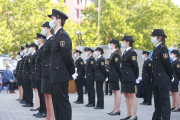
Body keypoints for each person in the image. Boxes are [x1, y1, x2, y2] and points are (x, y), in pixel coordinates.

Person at [48, 9, 75, 120]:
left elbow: (67, 56)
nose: (51, 21)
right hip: (55, 74)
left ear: (58, 20)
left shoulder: (63, 36)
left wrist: (72, 70)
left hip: (61, 74)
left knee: (62, 104)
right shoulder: (56, 36)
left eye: (52, 18)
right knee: (56, 104)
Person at [150, 29, 173, 120]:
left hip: (163, 79)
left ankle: (166, 118)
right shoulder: (156, 48)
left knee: (164, 101)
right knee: (157, 101)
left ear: (159, 38)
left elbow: (168, 64)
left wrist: (169, 77)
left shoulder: (163, 49)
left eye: (153, 36)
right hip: (156, 79)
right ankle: (156, 118)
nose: (152, 38)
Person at [120, 35, 139, 120]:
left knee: (132, 95)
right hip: (124, 76)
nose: (123, 43)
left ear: (127, 42)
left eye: (123, 41)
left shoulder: (132, 53)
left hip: (130, 76)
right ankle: (128, 114)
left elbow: (135, 65)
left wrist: (136, 76)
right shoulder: (125, 52)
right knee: (126, 95)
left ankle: (134, 115)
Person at [41, 21, 55, 120]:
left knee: (49, 95)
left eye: (45, 28)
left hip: (49, 71)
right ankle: (48, 116)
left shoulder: (52, 40)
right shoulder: (47, 41)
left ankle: (52, 117)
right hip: (45, 71)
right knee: (46, 94)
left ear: (50, 29)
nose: (44, 29)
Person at [33, 33, 46, 118]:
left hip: (41, 74)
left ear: (41, 39)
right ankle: (41, 109)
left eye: (37, 39)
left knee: (42, 94)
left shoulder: (43, 48)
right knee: (40, 94)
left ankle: (44, 111)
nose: (36, 40)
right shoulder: (39, 49)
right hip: (38, 74)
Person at [107, 39, 121, 115]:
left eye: (112, 44)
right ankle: (115, 108)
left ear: (115, 45)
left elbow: (117, 66)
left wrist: (119, 76)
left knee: (117, 91)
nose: (110, 45)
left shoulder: (115, 54)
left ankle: (117, 109)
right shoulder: (113, 53)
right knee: (114, 92)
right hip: (112, 75)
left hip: (114, 75)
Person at [29, 43, 40, 111]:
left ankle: (37, 104)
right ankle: (36, 104)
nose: (30, 48)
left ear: (34, 47)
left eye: (31, 47)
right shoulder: (33, 54)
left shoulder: (36, 54)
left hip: (35, 73)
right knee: (35, 90)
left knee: (36, 90)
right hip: (33, 73)